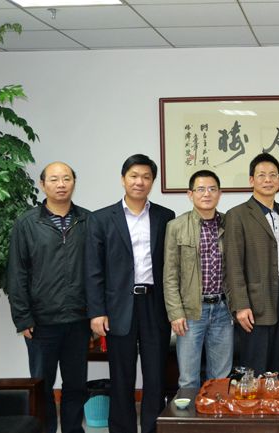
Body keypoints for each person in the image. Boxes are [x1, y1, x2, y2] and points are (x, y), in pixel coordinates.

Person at [85, 154, 175, 433]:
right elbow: (93, 270)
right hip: (118, 306)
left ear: (152, 182)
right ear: (123, 179)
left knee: (155, 375)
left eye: (146, 177)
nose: (140, 182)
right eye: (134, 176)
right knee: (121, 376)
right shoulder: (101, 219)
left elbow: (170, 266)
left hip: (154, 304)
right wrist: (97, 311)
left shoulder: (165, 216)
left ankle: (153, 428)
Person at [7, 161, 90, 433]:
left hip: (78, 319)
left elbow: (96, 271)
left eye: (66, 178)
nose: (61, 184)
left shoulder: (88, 221)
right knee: (42, 385)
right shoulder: (27, 223)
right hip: (41, 322)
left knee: (76, 385)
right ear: (43, 185)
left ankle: (73, 430)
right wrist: (23, 318)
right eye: (54, 179)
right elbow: (17, 273)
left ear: (74, 183)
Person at [224, 153, 279, 377]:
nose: (268, 180)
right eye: (262, 175)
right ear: (251, 180)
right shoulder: (237, 215)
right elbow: (233, 264)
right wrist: (241, 305)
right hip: (255, 302)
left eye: (273, 175)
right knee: (256, 367)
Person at [163, 169, 233, 389]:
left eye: (212, 189)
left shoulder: (230, 224)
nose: (207, 194)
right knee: (188, 378)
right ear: (190, 194)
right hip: (191, 311)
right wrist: (175, 313)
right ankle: (191, 412)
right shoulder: (176, 226)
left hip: (223, 310)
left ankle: (215, 412)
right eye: (201, 189)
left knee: (220, 378)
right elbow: (170, 275)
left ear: (219, 194)